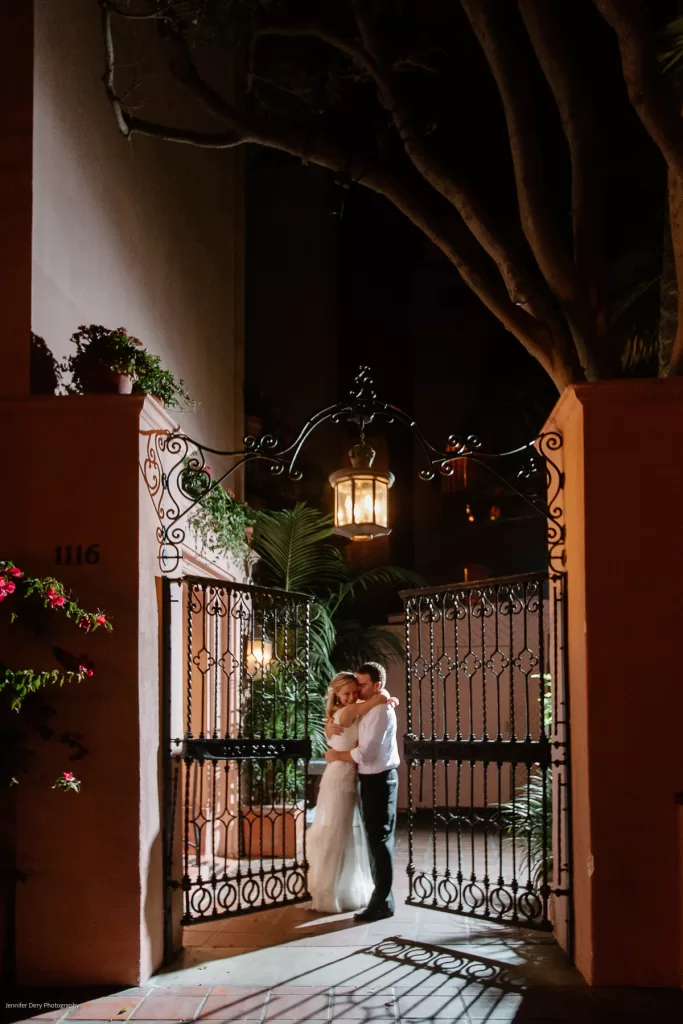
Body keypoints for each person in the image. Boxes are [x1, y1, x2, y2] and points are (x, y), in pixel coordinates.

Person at [307, 672, 394, 913]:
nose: (352, 696)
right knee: (336, 831)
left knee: (345, 832)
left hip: (346, 773)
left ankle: (343, 888)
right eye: (346, 693)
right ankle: (330, 892)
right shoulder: (347, 712)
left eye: (355, 691)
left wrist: (386, 696)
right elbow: (373, 702)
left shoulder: (352, 709)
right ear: (335, 693)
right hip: (339, 777)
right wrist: (383, 695)